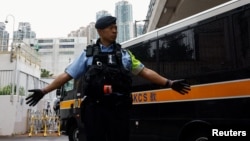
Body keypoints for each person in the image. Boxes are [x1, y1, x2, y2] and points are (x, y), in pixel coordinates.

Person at [26, 16, 191, 141]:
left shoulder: (124, 55)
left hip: (119, 110)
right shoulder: (88, 55)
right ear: (100, 31)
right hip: (95, 111)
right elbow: (67, 75)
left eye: (116, 28)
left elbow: (144, 71)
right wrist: (44, 90)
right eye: (111, 28)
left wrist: (169, 83)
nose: (115, 31)